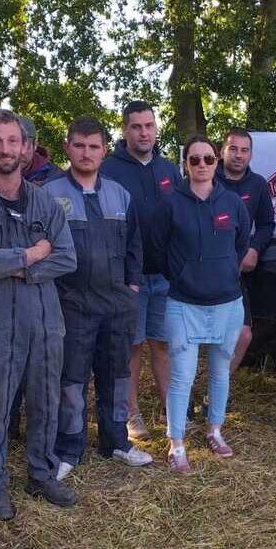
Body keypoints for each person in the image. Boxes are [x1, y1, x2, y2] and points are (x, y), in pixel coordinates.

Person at [0, 110, 78, 520]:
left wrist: (15, 264)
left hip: (45, 321)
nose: (6, 149)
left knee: (45, 401)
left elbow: (66, 258)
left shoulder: (47, 200)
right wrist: (31, 253)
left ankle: (40, 474)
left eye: (14, 141)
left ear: (26, 147)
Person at [42, 117, 153, 478]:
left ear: (105, 150)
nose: (86, 153)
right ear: (67, 148)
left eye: (93, 146)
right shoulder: (48, 193)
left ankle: (116, 442)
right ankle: (69, 448)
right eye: (79, 145)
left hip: (117, 305)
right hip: (72, 305)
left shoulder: (119, 193)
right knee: (72, 380)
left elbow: (135, 243)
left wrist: (132, 286)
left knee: (117, 376)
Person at [152, 135, 250, 473]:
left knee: (220, 371)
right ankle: (176, 444)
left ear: (216, 162)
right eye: (195, 160)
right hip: (183, 303)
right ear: (185, 164)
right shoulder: (169, 203)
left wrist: (220, 271)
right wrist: (183, 274)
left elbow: (241, 243)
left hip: (227, 303)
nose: (202, 166)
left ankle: (215, 430)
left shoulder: (232, 202)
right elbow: (158, 248)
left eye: (208, 159)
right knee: (182, 376)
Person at [100, 101, 182, 440]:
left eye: (149, 125)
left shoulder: (169, 169)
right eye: (136, 126)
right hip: (127, 278)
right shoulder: (109, 170)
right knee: (131, 346)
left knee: (162, 344)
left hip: (164, 276)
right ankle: (132, 415)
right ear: (124, 130)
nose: (144, 132)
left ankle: (170, 410)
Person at [215, 127, 276, 371]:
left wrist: (255, 249)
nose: (239, 155)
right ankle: (187, 391)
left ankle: (219, 390)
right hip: (202, 270)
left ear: (250, 154)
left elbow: (266, 224)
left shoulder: (258, 185)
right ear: (222, 151)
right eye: (233, 149)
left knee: (243, 335)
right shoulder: (206, 178)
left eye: (244, 150)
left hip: (236, 271)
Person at [0, 116, 60, 185]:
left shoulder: (56, 178)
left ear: (35, 145)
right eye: (12, 142)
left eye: (24, 145)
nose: (18, 152)